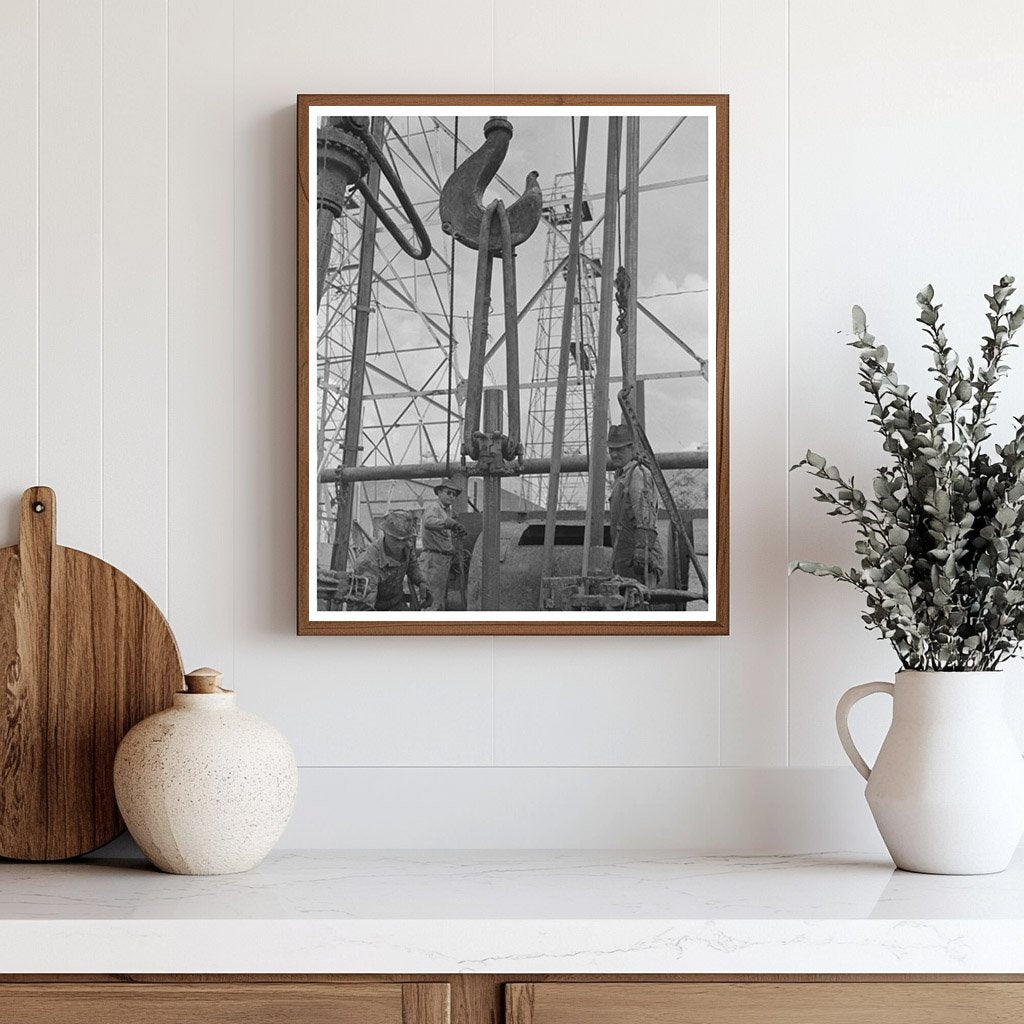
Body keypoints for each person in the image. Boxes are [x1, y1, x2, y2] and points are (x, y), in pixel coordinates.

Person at [607, 423, 664, 585]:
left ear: (632, 449)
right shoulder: (623, 477)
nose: (615, 454)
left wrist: (642, 550)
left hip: (640, 559)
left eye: (620, 449)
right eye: (612, 450)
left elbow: (645, 514)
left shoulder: (637, 473)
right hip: (627, 558)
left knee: (639, 604)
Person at [341, 510, 428, 611]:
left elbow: (412, 566)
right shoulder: (368, 562)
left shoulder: (407, 546)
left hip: (396, 603)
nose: (400, 546)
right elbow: (363, 607)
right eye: (396, 540)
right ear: (385, 533)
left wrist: (421, 582)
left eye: (404, 540)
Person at [419, 478, 467, 611]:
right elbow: (428, 522)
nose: (451, 496)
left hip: (442, 561)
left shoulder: (447, 511)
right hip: (433, 560)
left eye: (454, 494)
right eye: (448, 493)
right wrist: (448, 523)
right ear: (439, 492)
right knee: (431, 602)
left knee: (439, 601)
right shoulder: (434, 508)